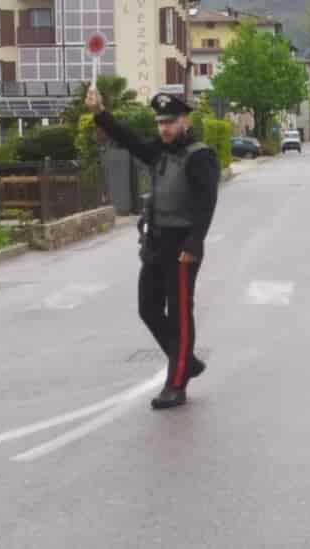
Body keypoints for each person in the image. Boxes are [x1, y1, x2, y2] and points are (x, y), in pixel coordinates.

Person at [86, 86, 219, 409]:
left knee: (180, 314)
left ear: (185, 120)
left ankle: (176, 384)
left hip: (182, 245)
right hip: (157, 241)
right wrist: (100, 112)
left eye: (170, 122)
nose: (164, 128)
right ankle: (186, 360)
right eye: (160, 122)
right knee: (148, 307)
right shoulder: (158, 151)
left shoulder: (201, 155)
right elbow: (128, 140)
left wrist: (194, 243)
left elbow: (206, 204)